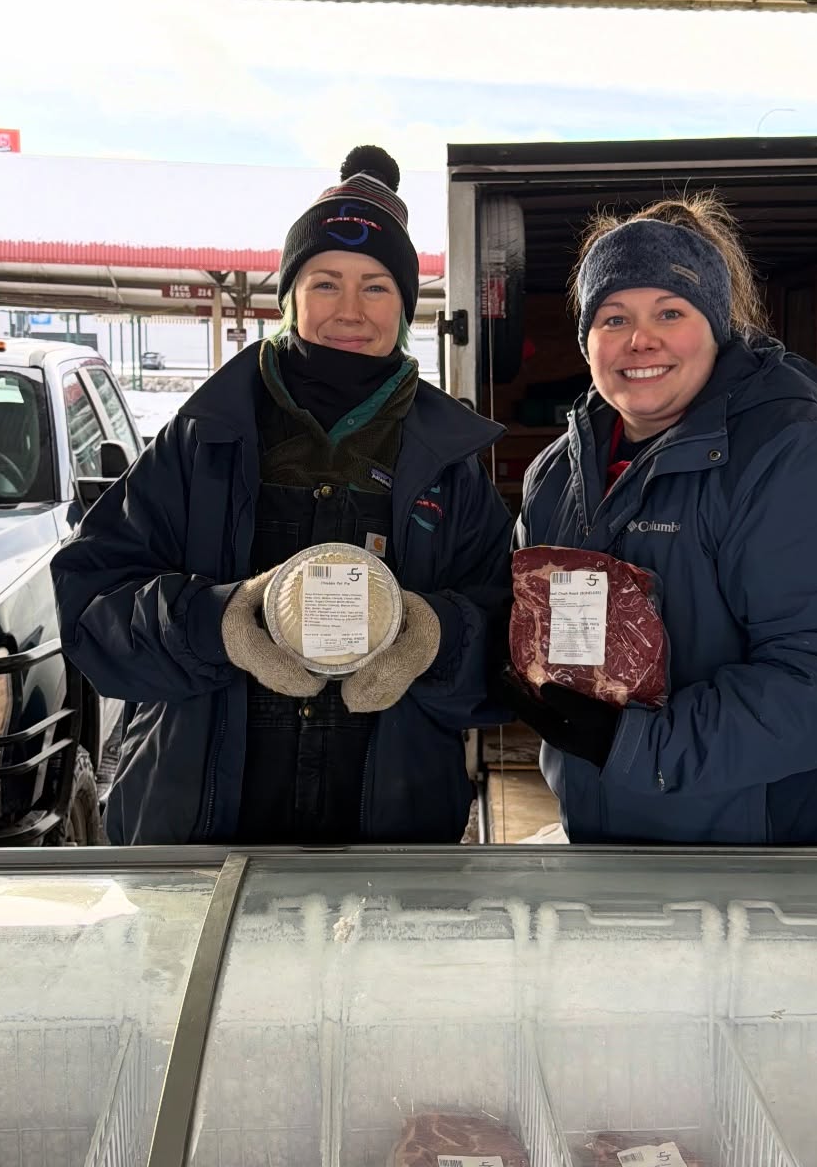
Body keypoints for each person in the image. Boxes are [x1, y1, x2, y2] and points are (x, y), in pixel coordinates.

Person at [52, 145, 512, 845]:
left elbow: (507, 644)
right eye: (326, 282)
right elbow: (92, 611)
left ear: (408, 306)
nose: (351, 310)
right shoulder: (203, 437)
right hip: (197, 833)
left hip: (394, 835)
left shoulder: (450, 462)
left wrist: (436, 638)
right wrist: (219, 621)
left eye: (378, 286)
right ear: (290, 296)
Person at [499, 194, 817, 846]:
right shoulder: (557, 473)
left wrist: (635, 744)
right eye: (613, 317)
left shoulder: (796, 460)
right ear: (586, 339)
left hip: (769, 871)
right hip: (608, 838)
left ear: (715, 327)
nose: (641, 339)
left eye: (670, 311)